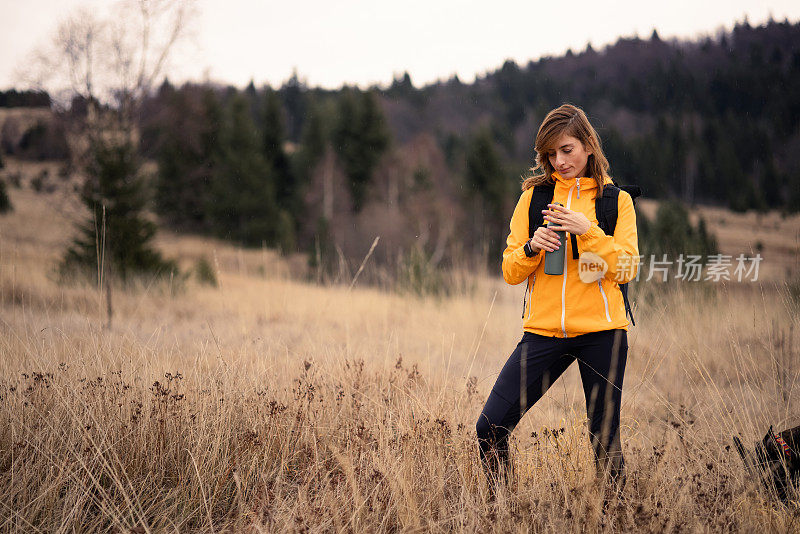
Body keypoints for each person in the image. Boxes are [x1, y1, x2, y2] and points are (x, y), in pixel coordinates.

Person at [475, 103, 640, 495]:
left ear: (588, 146)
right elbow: (510, 271)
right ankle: (502, 511)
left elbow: (628, 267)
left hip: (603, 333)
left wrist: (589, 231)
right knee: (490, 428)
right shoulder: (533, 200)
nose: (559, 161)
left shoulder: (615, 203)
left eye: (566, 150)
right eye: (550, 154)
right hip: (544, 333)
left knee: (604, 443)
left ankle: (617, 518)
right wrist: (533, 248)